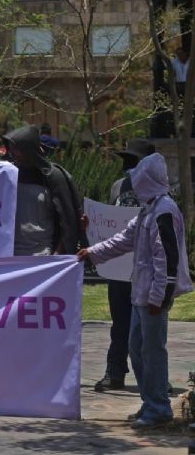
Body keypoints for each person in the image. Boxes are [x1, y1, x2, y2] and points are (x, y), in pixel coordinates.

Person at [78, 152, 193, 429]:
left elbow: (166, 259)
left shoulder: (163, 211)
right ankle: (150, 402)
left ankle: (158, 408)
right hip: (142, 294)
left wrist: (159, 297)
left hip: (152, 296)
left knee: (152, 352)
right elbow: (123, 239)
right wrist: (93, 252)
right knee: (137, 349)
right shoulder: (148, 210)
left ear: (148, 181)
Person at [95, 139, 157, 393]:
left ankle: (155, 377)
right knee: (119, 323)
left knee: (148, 327)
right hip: (119, 268)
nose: (128, 166)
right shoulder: (117, 186)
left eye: (134, 161)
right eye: (126, 161)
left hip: (146, 268)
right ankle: (115, 371)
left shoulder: (159, 192)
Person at [2, 125, 86, 256]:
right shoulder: (7, 175)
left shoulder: (53, 177)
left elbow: (68, 221)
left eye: (17, 150)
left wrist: (56, 256)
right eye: (11, 149)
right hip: (11, 257)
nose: (12, 154)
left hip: (44, 257)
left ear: (29, 149)